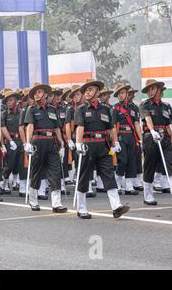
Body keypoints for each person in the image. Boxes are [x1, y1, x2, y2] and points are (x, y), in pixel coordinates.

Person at [74, 79, 130, 219]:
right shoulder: (81, 109)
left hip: (103, 146)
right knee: (84, 177)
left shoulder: (105, 109)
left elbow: (111, 128)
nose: (87, 92)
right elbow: (80, 127)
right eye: (86, 90)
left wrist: (115, 143)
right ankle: (81, 209)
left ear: (97, 92)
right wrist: (78, 143)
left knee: (109, 175)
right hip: (88, 145)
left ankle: (116, 207)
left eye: (90, 89)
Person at [24, 83, 67, 213]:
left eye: (39, 92)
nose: (37, 95)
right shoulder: (31, 109)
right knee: (36, 172)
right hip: (38, 142)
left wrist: (62, 144)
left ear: (46, 94)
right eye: (35, 93)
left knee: (55, 172)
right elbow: (30, 126)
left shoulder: (52, 109)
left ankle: (57, 204)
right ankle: (33, 201)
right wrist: (27, 142)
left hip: (51, 142)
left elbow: (57, 128)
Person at [140, 79, 172, 206]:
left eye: (152, 89)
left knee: (170, 164)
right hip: (151, 137)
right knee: (150, 165)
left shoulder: (166, 106)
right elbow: (147, 119)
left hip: (165, 138)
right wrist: (153, 131)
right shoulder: (145, 104)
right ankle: (148, 196)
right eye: (148, 90)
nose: (150, 92)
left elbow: (168, 125)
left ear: (159, 89)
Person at [112, 83, 141, 195]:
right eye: (119, 93)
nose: (121, 95)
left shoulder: (134, 107)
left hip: (131, 136)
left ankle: (129, 187)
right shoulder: (116, 108)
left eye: (123, 93)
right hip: (121, 136)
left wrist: (140, 138)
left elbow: (136, 124)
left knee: (132, 161)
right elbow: (114, 126)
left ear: (127, 93)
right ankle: (118, 185)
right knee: (122, 160)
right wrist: (115, 142)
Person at [1, 90, 23, 195]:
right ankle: (3, 184)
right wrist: (9, 141)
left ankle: (22, 188)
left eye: (11, 100)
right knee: (9, 165)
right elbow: (3, 128)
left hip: (20, 141)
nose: (9, 103)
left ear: (16, 100)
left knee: (22, 164)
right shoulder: (4, 114)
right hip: (10, 141)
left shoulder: (22, 112)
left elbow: (24, 127)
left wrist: (25, 142)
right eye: (7, 101)